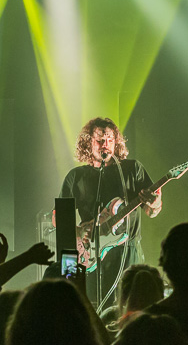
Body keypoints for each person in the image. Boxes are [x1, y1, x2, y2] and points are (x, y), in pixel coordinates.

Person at [59, 117, 162, 306]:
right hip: (91, 252)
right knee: (93, 306)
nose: (104, 145)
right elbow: (59, 218)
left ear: (116, 143)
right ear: (88, 142)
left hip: (127, 250)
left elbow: (152, 211)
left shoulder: (132, 169)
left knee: (133, 305)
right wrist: (80, 231)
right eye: (99, 140)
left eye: (109, 140)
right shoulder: (76, 176)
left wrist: (156, 202)